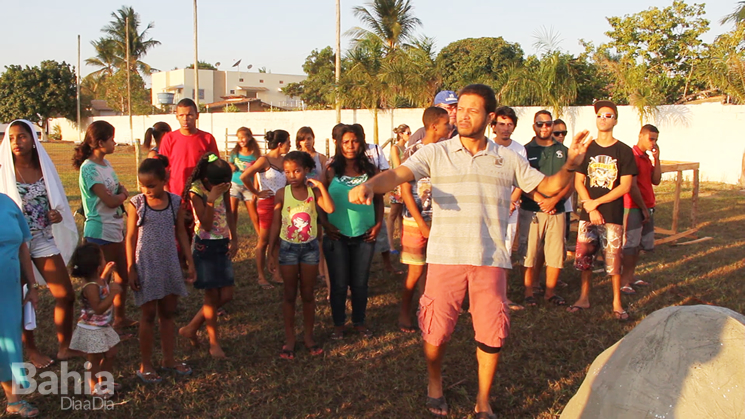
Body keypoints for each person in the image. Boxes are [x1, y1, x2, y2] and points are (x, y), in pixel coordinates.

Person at [349, 84, 591, 418]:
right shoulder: (437, 152)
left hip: (490, 259)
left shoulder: (507, 158)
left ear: (490, 117)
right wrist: (369, 185)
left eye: (471, 110)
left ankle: (483, 400)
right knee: (436, 330)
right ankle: (435, 384)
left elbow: (547, 186)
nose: (462, 115)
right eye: (459, 108)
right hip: (445, 256)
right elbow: (397, 174)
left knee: (491, 333)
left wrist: (571, 164)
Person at [0, 119, 80, 369]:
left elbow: (55, 201)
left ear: (33, 140)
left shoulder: (44, 167)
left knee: (65, 295)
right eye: (12, 138)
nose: (17, 142)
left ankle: (64, 347)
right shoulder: (4, 171)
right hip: (15, 244)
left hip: (42, 238)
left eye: (22, 136)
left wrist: (56, 214)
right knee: (24, 297)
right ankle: (32, 350)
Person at [126, 156, 196, 382]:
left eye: (152, 185)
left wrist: (189, 261)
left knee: (168, 313)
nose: (146, 189)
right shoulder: (136, 203)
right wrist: (131, 268)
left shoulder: (175, 202)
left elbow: (181, 233)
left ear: (164, 180)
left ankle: (168, 359)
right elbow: (129, 238)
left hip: (169, 264)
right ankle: (145, 364)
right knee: (147, 316)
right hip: (146, 266)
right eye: (143, 184)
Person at [569, 100, 637, 322]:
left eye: (608, 115)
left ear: (615, 120)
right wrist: (589, 204)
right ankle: (583, 297)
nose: (603, 119)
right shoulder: (587, 149)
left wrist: (595, 204)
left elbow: (625, 186)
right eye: (600, 115)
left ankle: (617, 302)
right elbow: (579, 181)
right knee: (585, 259)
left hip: (612, 214)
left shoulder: (624, 151)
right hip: (588, 214)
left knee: (613, 260)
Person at [267, 151, 334, 359]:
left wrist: (321, 186)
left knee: (307, 294)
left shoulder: (313, 193)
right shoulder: (281, 194)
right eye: (287, 172)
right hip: (288, 249)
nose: (292, 175)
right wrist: (271, 250)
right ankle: (290, 339)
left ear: (307, 170)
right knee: (289, 294)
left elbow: (329, 208)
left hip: (310, 250)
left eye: (296, 171)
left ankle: (308, 336)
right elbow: (276, 224)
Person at [73, 121, 137, 334]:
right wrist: (124, 196)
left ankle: (119, 318)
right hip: (100, 231)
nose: (115, 142)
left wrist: (118, 195)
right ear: (100, 142)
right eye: (111, 138)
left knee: (123, 276)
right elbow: (110, 200)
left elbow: (115, 190)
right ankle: (98, 323)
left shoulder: (106, 164)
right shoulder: (88, 169)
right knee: (102, 281)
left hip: (114, 228)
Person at [321, 124, 383, 340]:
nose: (350, 146)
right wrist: (325, 224)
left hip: (364, 235)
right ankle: (339, 324)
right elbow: (319, 199)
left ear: (362, 142)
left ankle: (359, 322)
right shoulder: (330, 170)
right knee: (338, 284)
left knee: (360, 282)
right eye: (345, 142)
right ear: (339, 144)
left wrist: (378, 224)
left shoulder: (371, 170)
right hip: (336, 236)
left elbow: (379, 198)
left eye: (354, 141)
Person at [180, 153, 237, 359]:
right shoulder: (197, 191)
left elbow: (229, 212)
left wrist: (235, 237)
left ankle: (192, 326)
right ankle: (214, 343)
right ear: (206, 180)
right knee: (211, 296)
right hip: (205, 246)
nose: (224, 187)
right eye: (221, 184)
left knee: (227, 295)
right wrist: (211, 200)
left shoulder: (223, 186)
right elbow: (205, 224)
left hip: (222, 243)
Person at [397, 108, 448, 332]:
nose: (450, 127)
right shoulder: (414, 151)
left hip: (442, 219)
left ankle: (428, 309)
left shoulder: (447, 151)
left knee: (435, 270)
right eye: (447, 123)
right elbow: (405, 189)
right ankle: (405, 312)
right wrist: (420, 223)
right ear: (434, 126)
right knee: (416, 270)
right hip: (416, 219)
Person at [517, 110, 572, 307]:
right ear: (534, 126)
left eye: (547, 124)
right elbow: (521, 180)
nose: (544, 128)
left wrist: (556, 200)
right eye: (539, 124)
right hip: (532, 209)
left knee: (556, 252)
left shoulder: (563, 151)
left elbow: (570, 180)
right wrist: (541, 200)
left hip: (557, 209)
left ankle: (550, 292)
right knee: (529, 251)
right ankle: (529, 291)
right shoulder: (525, 150)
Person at [0, 192, 40, 418]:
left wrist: (32, 286)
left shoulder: (8, 203)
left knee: (9, 343)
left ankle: (13, 400)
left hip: (9, 289)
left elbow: (23, 248)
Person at [68, 243, 122, 398]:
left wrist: (106, 273)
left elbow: (101, 284)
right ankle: (94, 387)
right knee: (95, 359)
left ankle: (104, 381)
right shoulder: (90, 287)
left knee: (111, 353)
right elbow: (98, 308)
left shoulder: (98, 279)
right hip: (92, 329)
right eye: (103, 258)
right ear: (97, 265)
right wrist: (112, 294)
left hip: (102, 326)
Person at [240, 130, 291, 288]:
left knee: (278, 241)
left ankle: (276, 273)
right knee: (263, 241)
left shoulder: (285, 161)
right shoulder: (264, 160)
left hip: (282, 203)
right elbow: (244, 177)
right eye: (288, 143)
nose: (290, 146)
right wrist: (256, 192)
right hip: (267, 203)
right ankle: (261, 276)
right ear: (280, 144)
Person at [620, 125, 661, 294]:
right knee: (630, 245)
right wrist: (643, 208)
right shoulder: (633, 156)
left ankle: (631, 277)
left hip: (647, 206)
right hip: (633, 207)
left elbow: (656, 180)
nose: (653, 143)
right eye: (651, 139)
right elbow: (632, 186)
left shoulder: (645, 157)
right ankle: (624, 281)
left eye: (656, 140)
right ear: (641, 136)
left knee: (638, 246)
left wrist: (657, 159)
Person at [357, 124, 401, 275]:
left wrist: (378, 185)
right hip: (358, 199)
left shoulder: (375, 149)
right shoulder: (351, 152)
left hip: (375, 195)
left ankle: (387, 263)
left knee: (380, 230)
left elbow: (384, 169)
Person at [158, 99, 220, 197]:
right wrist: (167, 194)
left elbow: (215, 167)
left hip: (200, 194)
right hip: (175, 193)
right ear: (177, 116)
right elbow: (162, 169)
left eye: (189, 115)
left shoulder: (207, 138)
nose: (185, 119)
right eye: (181, 115)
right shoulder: (169, 139)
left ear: (197, 116)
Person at [296, 127, 330, 292]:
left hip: (317, 198)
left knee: (320, 237)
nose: (306, 142)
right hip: (300, 202)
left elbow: (324, 178)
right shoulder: (296, 159)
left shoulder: (321, 158)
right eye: (303, 139)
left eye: (309, 138)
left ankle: (322, 271)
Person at [228, 127, 261, 234]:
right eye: (238, 138)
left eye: (243, 137)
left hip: (249, 186)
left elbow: (257, 173)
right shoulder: (235, 152)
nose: (241, 140)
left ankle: (261, 235)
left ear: (250, 137)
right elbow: (229, 163)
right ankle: (232, 236)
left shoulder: (255, 154)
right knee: (232, 211)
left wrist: (255, 190)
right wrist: (231, 166)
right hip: (235, 184)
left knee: (254, 214)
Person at [387, 124, 410, 256]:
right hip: (396, 183)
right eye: (407, 133)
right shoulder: (395, 148)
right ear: (400, 134)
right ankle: (390, 244)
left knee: (403, 214)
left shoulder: (405, 148)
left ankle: (403, 242)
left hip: (404, 182)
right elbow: (398, 166)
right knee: (393, 214)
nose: (409, 135)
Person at [552, 118, 574, 243]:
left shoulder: (569, 153)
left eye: (564, 133)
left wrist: (560, 200)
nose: (561, 136)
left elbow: (572, 182)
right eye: (557, 133)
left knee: (561, 240)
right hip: (542, 204)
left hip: (563, 204)